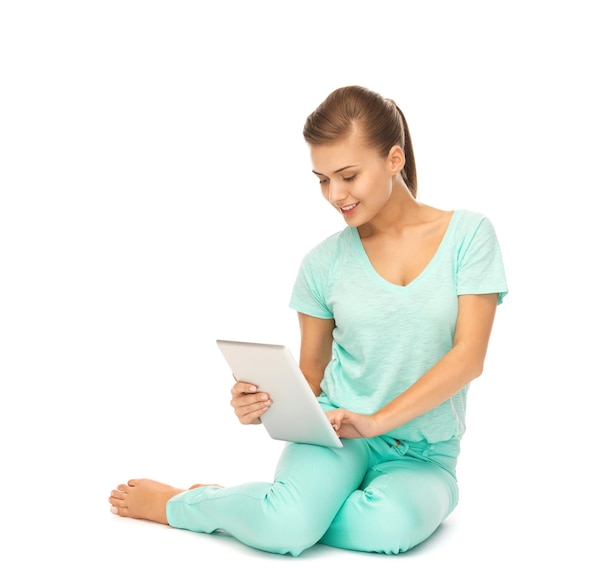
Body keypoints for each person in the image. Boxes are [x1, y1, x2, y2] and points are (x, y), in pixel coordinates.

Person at [109, 85, 508, 556]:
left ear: (395, 159)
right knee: (286, 528)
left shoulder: (469, 236)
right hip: (334, 435)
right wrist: (261, 404)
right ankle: (196, 505)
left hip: (425, 455)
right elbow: (311, 377)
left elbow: (468, 357)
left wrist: (376, 422)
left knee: (388, 529)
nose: (335, 195)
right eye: (322, 179)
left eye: (348, 175)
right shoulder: (322, 264)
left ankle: (263, 508)